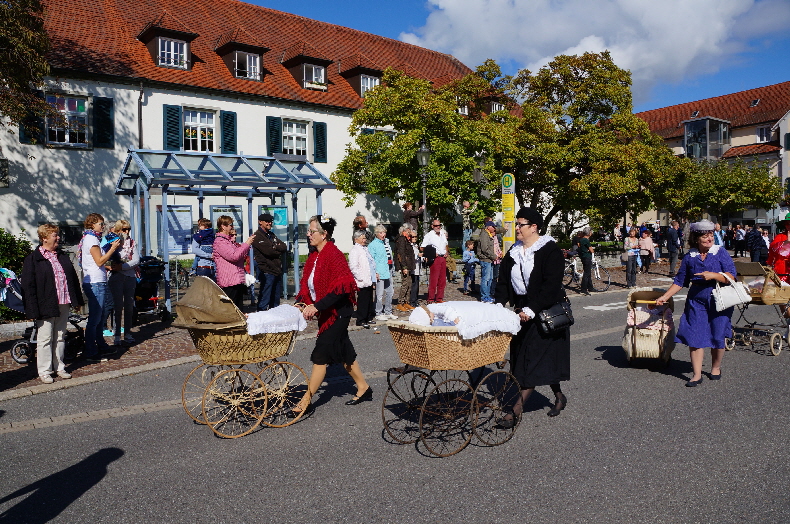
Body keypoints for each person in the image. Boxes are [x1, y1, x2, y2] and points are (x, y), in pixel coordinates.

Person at [494, 207, 570, 426]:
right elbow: (504, 283)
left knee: (533, 361)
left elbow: (551, 286)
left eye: (521, 224)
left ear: (534, 227)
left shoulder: (549, 250)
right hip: (522, 312)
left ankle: (514, 412)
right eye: (517, 224)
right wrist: (499, 305)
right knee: (528, 358)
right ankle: (558, 396)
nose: (517, 228)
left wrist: (532, 309)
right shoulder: (514, 251)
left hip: (545, 310)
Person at [291, 216, 372, 417]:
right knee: (344, 351)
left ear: (324, 234)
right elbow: (307, 285)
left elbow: (341, 290)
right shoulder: (314, 256)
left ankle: (306, 401)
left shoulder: (334, 255)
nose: (308, 234)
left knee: (321, 355)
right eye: (308, 231)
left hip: (339, 313)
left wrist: (316, 306)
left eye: (312, 231)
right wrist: (302, 303)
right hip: (326, 312)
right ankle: (363, 387)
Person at [656, 220, 736, 386]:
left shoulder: (720, 252)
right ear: (696, 238)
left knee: (718, 334)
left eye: (711, 235)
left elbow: (731, 276)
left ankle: (716, 367)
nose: (709, 238)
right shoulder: (689, 257)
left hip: (719, 297)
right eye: (705, 236)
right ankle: (696, 374)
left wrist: (714, 275)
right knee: (695, 335)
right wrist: (665, 296)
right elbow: (680, 281)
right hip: (696, 299)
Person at [21, 224, 85, 383]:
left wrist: (77, 300)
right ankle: (44, 371)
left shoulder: (61, 256)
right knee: (45, 338)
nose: (58, 238)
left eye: (57, 235)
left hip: (63, 302)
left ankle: (59, 367)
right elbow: (28, 286)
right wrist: (32, 309)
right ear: (44, 238)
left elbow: (72, 279)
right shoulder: (33, 259)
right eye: (54, 235)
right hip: (45, 304)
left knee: (60, 336)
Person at [79, 213, 121, 362]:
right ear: (91, 225)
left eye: (103, 224)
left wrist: (108, 267)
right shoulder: (91, 240)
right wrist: (112, 248)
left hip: (97, 280)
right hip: (95, 283)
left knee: (100, 315)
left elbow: (95, 262)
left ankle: (100, 345)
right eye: (100, 224)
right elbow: (99, 261)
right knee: (96, 318)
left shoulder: (91, 238)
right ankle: (90, 350)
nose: (102, 227)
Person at [107, 220, 140, 346]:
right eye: (124, 230)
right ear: (118, 230)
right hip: (116, 277)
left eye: (128, 230)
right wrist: (112, 266)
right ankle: (116, 334)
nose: (126, 232)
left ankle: (127, 332)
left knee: (128, 306)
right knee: (117, 306)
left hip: (129, 276)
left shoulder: (132, 243)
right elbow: (105, 257)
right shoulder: (112, 242)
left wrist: (123, 266)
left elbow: (136, 260)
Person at [213, 215, 254, 309]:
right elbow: (234, 256)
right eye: (230, 225)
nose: (232, 227)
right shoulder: (220, 241)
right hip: (228, 280)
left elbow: (240, 255)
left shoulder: (229, 241)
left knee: (238, 307)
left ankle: (239, 322)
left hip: (236, 279)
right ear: (223, 226)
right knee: (231, 308)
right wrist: (246, 244)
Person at [251, 213, 287, 311]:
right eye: (267, 221)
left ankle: (273, 319)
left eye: (271, 221)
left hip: (276, 270)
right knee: (264, 299)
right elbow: (269, 251)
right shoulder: (257, 236)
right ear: (260, 222)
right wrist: (275, 247)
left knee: (275, 300)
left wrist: (274, 247)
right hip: (266, 271)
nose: (269, 223)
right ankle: (260, 318)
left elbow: (284, 246)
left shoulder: (271, 235)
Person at [348, 228, 376, 328]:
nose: (365, 240)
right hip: (362, 280)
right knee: (363, 301)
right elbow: (353, 266)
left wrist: (374, 274)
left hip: (368, 279)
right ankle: (361, 319)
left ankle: (368, 317)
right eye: (363, 238)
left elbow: (371, 263)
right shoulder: (355, 250)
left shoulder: (365, 249)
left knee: (369, 299)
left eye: (365, 238)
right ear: (356, 239)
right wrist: (361, 277)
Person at [368, 225, 397, 321]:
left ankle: (388, 311)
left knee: (390, 292)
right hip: (379, 272)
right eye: (381, 233)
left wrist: (392, 269)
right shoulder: (373, 245)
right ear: (376, 234)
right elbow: (371, 260)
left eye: (384, 232)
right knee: (379, 294)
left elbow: (390, 257)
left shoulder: (386, 243)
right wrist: (374, 272)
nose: (383, 234)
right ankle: (378, 312)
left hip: (387, 270)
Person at [421, 219, 449, 303]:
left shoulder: (442, 234)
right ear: (432, 226)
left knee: (442, 280)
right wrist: (432, 253)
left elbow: (446, 244)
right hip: (435, 259)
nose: (438, 227)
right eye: (436, 225)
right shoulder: (429, 235)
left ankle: (439, 298)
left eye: (439, 225)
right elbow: (422, 247)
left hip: (442, 258)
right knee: (434, 279)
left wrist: (446, 251)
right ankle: (431, 298)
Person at [394, 224, 416, 312]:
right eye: (410, 230)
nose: (410, 232)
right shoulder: (402, 239)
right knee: (405, 284)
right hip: (405, 265)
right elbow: (401, 254)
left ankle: (406, 301)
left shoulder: (406, 239)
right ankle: (400, 302)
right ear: (407, 230)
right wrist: (404, 267)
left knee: (409, 284)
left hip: (409, 264)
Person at [477, 221, 498, 303]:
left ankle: (488, 295)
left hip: (489, 259)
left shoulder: (488, 234)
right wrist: (493, 256)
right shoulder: (484, 234)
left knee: (490, 278)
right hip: (485, 259)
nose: (494, 228)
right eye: (493, 226)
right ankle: (484, 297)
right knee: (485, 278)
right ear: (488, 227)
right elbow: (484, 248)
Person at [578, 226, 594, 295]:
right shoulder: (586, 240)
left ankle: (590, 287)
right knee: (587, 273)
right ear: (589, 233)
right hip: (587, 257)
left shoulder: (581, 240)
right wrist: (590, 250)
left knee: (588, 273)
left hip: (583, 257)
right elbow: (591, 250)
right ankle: (583, 289)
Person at [409, 231, 422, 307]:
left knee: (417, 284)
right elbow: (411, 257)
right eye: (413, 237)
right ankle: (412, 301)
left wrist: (423, 258)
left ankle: (415, 299)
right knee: (414, 285)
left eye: (415, 237)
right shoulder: (410, 246)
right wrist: (418, 255)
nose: (414, 238)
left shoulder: (416, 245)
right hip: (413, 268)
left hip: (417, 267)